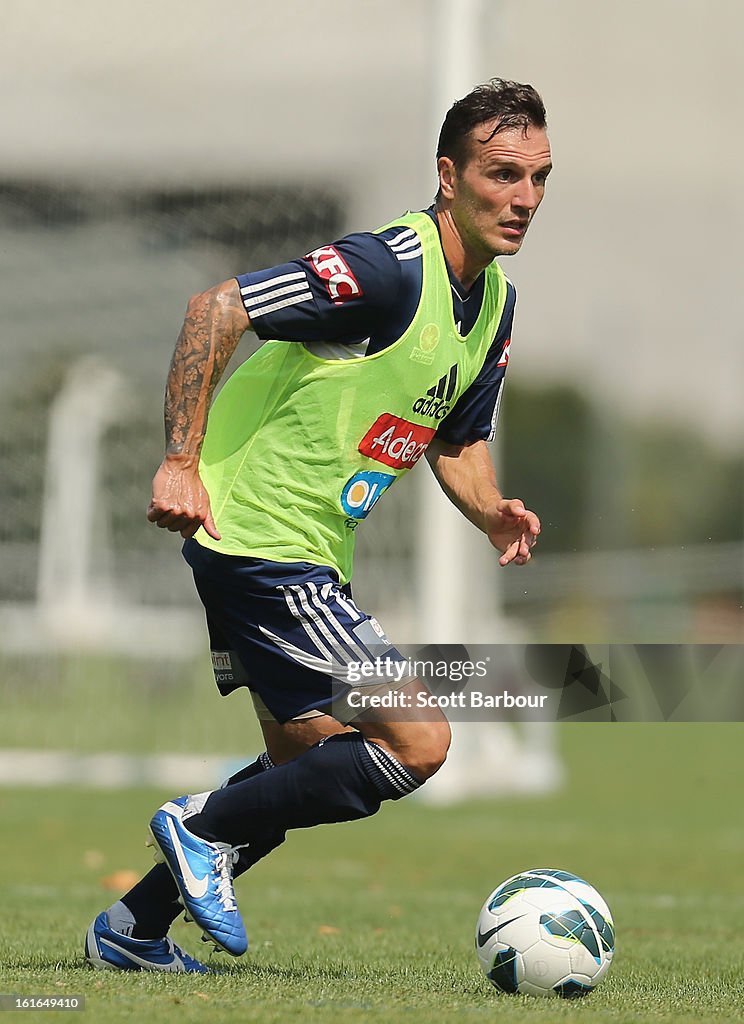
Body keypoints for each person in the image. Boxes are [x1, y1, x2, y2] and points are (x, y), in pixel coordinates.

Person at [84, 77, 552, 973]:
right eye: (502, 174)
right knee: (418, 741)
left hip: (294, 550)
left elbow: (453, 436)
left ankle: (134, 929)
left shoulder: (492, 304)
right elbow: (217, 307)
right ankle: (198, 827)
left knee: (313, 767)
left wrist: (491, 508)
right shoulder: (387, 267)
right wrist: (180, 458)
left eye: (537, 178)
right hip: (262, 540)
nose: (523, 198)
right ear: (448, 175)